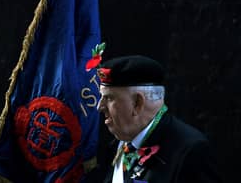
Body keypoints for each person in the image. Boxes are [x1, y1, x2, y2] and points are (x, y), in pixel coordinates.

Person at [92, 55, 222, 183]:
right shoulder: (115, 145)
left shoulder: (189, 152)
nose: (100, 107)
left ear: (137, 103)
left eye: (109, 98)